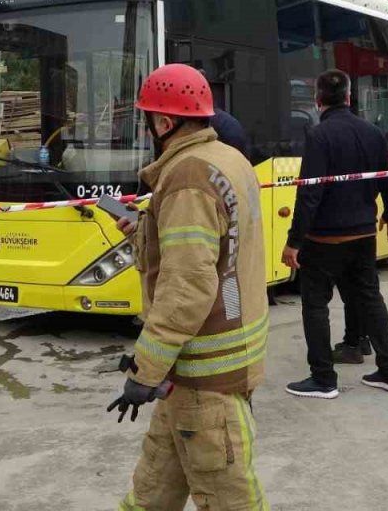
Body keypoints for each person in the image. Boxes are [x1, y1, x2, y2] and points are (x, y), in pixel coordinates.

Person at [110, 64, 268, 510]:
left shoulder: (186, 177)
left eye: (147, 120)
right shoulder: (229, 159)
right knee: (151, 492)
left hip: (205, 376)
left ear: (164, 122)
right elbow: (216, 250)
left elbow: (187, 287)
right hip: (201, 370)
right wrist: (146, 229)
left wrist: (143, 371)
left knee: (231, 500)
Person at [281, 69, 388, 399]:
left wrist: (294, 240)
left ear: (317, 100)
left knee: (316, 306)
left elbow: (310, 193)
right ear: (349, 97)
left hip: (324, 240)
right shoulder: (373, 132)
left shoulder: (319, 136)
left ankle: (323, 378)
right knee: (370, 299)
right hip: (364, 234)